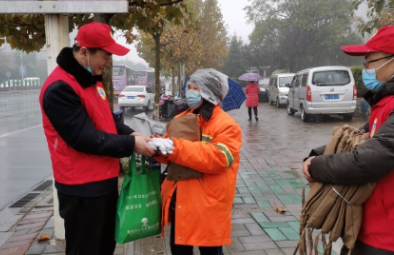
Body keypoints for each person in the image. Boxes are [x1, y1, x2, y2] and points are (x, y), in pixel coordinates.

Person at [39, 22, 155, 255]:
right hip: (82, 190)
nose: (108, 62)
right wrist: (132, 144)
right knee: (85, 249)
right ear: (84, 52)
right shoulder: (60, 88)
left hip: (103, 183)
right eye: (104, 56)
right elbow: (85, 138)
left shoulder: (92, 81)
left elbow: (106, 120)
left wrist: (130, 133)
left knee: (104, 246)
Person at [302, 25, 394, 255]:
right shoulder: (385, 102)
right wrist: (316, 154)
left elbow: (370, 159)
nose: (365, 69)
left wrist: (317, 166)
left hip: (390, 236)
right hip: (366, 225)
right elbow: (357, 138)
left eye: (370, 62)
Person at [154, 68, 242, 255]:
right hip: (180, 202)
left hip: (207, 207)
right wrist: (156, 147)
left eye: (196, 88)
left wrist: (174, 147)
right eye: (190, 87)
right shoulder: (180, 119)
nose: (190, 92)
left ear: (209, 93)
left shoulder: (226, 125)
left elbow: (219, 159)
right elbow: (171, 154)